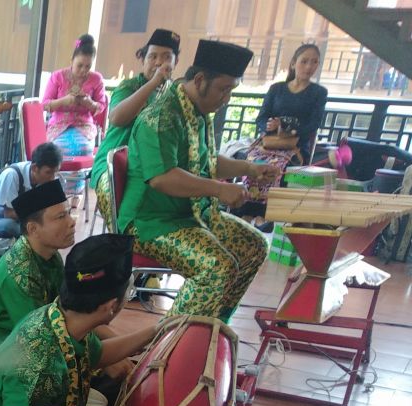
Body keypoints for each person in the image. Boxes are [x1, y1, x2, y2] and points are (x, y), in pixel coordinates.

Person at [121, 39, 277, 323]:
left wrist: (250, 168)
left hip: (190, 214)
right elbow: (162, 178)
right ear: (201, 80)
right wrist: (219, 189)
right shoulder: (161, 116)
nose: (226, 98)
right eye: (224, 89)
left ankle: (211, 330)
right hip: (150, 222)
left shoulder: (197, 112)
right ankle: (168, 348)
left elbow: (205, 161)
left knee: (254, 247)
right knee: (218, 267)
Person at [0, 233, 162, 406]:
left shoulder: (62, 316)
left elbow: (98, 354)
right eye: (129, 294)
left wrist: (154, 330)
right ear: (111, 306)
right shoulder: (41, 371)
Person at [0, 179, 73, 361]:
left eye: (69, 213)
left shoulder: (51, 256)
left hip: (25, 350)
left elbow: (65, 310)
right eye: (61, 217)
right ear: (33, 229)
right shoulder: (20, 273)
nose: (71, 222)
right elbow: (40, 340)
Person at [92, 28, 181, 224]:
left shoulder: (176, 94)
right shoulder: (129, 86)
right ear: (143, 59)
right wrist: (153, 83)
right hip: (114, 164)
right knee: (129, 212)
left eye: (166, 57)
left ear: (176, 62)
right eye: (153, 56)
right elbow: (116, 118)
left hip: (150, 168)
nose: (158, 62)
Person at [240, 43, 328, 228]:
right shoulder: (277, 89)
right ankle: (247, 210)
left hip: (296, 146)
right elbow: (261, 118)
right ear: (294, 63)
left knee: (279, 166)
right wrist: (269, 125)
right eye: (304, 61)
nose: (309, 67)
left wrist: (287, 126)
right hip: (270, 143)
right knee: (251, 161)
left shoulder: (318, 93)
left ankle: (267, 214)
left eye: (314, 62)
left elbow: (313, 124)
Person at [42, 34, 107, 197]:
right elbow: (44, 104)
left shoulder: (96, 79)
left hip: (83, 127)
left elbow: (101, 106)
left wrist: (88, 103)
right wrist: (65, 101)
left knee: (83, 148)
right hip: (59, 126)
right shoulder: (57, 77)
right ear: (72, 61)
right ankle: (57, 194)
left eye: (88, 66)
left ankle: (75, 195)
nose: (84, 70)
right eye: (80, 66)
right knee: (58, 151)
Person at [0, 142, 63, 238]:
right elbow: (8, 214)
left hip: (19, 220)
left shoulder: (43, 178)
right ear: (34, 168)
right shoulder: (12, 175)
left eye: (55, 172)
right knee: (15, 227)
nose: (52, 178)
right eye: (48, 172)